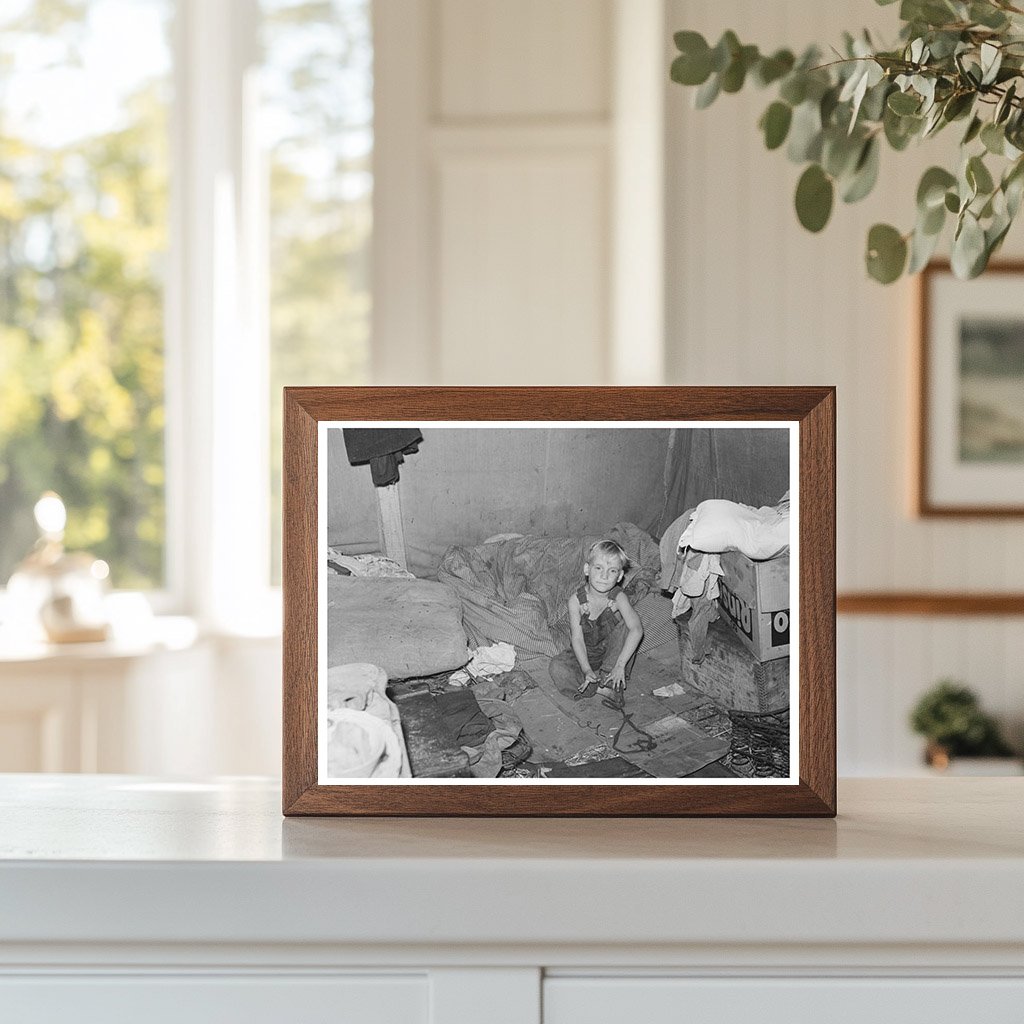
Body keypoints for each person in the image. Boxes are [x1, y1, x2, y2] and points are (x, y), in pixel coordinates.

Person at [549, 539, 644, 706]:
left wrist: (620, 665)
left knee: (629, 628)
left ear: (620, 576)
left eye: (612, 570)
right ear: (587, 569)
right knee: (557, 667)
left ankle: (610, 676)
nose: (604, 576)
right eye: (598, 568)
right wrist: (586, 670)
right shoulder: (576, 601)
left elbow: (637, 629)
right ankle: (602, 688)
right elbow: (577, 639)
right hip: (586, 655)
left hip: (612, 656)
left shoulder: (619, 598)